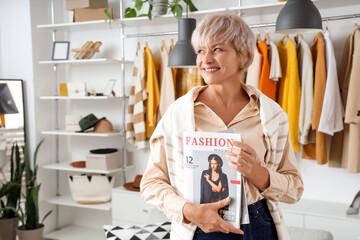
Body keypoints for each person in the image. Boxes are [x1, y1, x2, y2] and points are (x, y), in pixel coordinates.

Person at [141, 14, 304, 240]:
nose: (205, 59)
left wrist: (257, 172)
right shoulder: (176, 114)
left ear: (243, 55)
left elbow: (294, 188)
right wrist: (188, 211)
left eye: (217, 49)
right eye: (200, 51)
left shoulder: (273, 114)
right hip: (199, 227)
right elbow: (151, 182)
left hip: (259, 224)